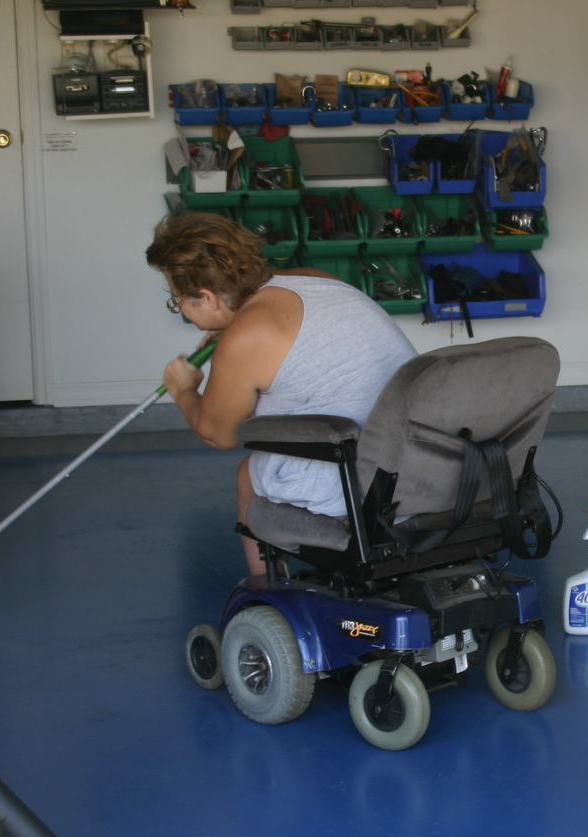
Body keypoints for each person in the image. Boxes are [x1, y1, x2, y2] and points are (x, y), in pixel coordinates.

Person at [146, 212, 417, 575]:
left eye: (177, 300)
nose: (180, 307)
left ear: (208, 297)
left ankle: (264, 590)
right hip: (425, 459)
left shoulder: (247, 336)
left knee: (248, 475)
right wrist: (235, 332)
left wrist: (183, 390)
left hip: (367, 480)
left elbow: (218, 434)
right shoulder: (313, 279)